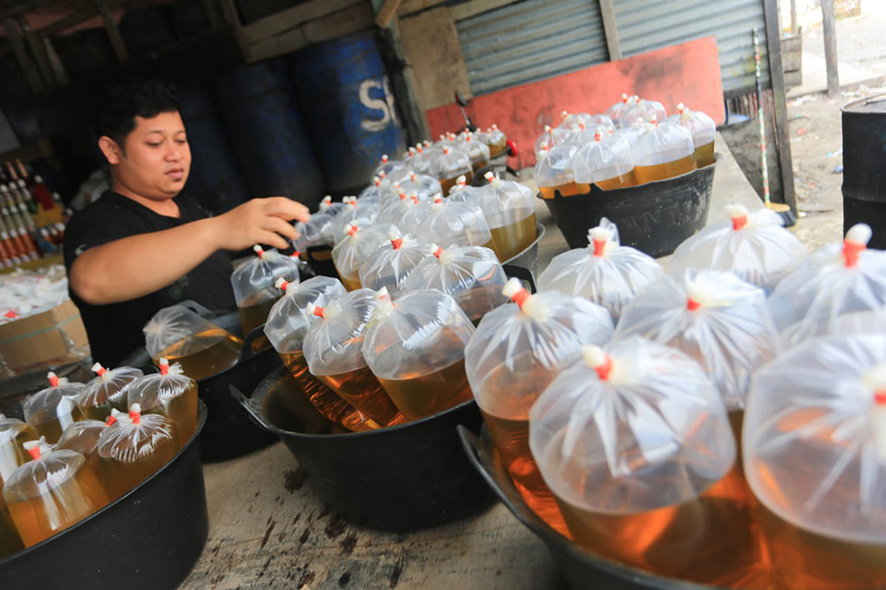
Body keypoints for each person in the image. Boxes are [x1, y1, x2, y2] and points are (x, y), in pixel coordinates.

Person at [63, 79, 310, 367]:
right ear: (112, 150)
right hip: (158, 401)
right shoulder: (96, 222)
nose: (175, 154)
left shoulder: (189, 208)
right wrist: (218, 230)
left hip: (231, 367)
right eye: (155, 143)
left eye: (181, 140)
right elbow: (91, 281)